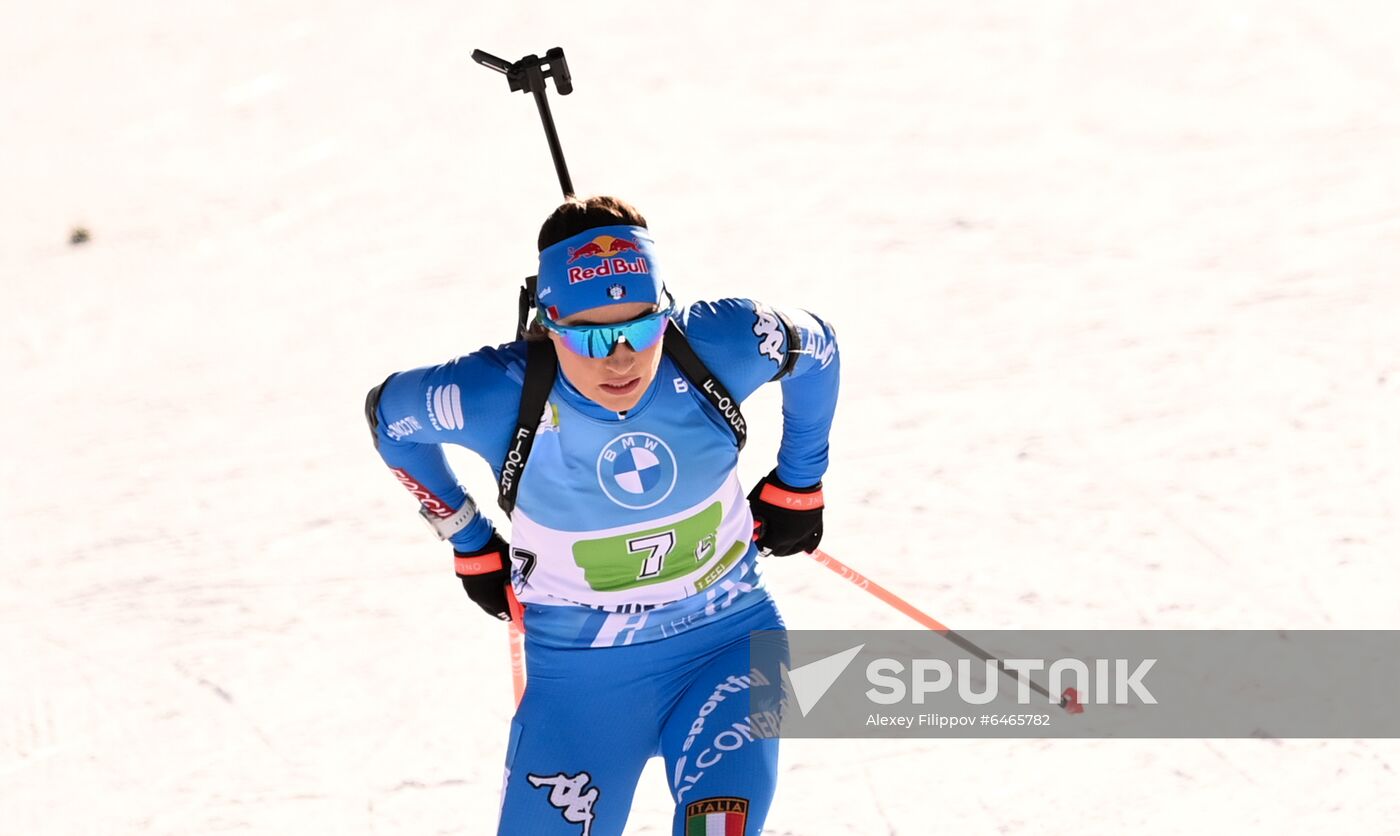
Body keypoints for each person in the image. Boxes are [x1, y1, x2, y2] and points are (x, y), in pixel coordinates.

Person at [364, 195, 840, 835]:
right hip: (580, 688)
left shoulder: (718, 345)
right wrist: (468, 539)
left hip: (728, 648)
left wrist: (801, 482)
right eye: (588, 334)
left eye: (641, 327)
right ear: (547, 321)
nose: (618, 358)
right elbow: (390, 420)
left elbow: (818, 348)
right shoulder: (494, 393)